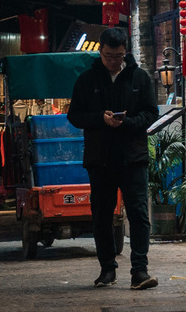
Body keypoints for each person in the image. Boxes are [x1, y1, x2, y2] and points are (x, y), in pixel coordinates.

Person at [67, 35, 159, 289]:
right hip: (100, 159)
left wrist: (128, 123)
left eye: (118, 56)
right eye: (108, 56)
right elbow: (74, 115)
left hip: (133, 157)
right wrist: (100, 118)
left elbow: (151, 112)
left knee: (139, 214)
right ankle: (107, 269)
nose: (113, 61)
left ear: (125, 53)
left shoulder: (139, 77)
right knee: (102, 216)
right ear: (100, 52)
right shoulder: (87, 79)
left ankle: (140, 270)